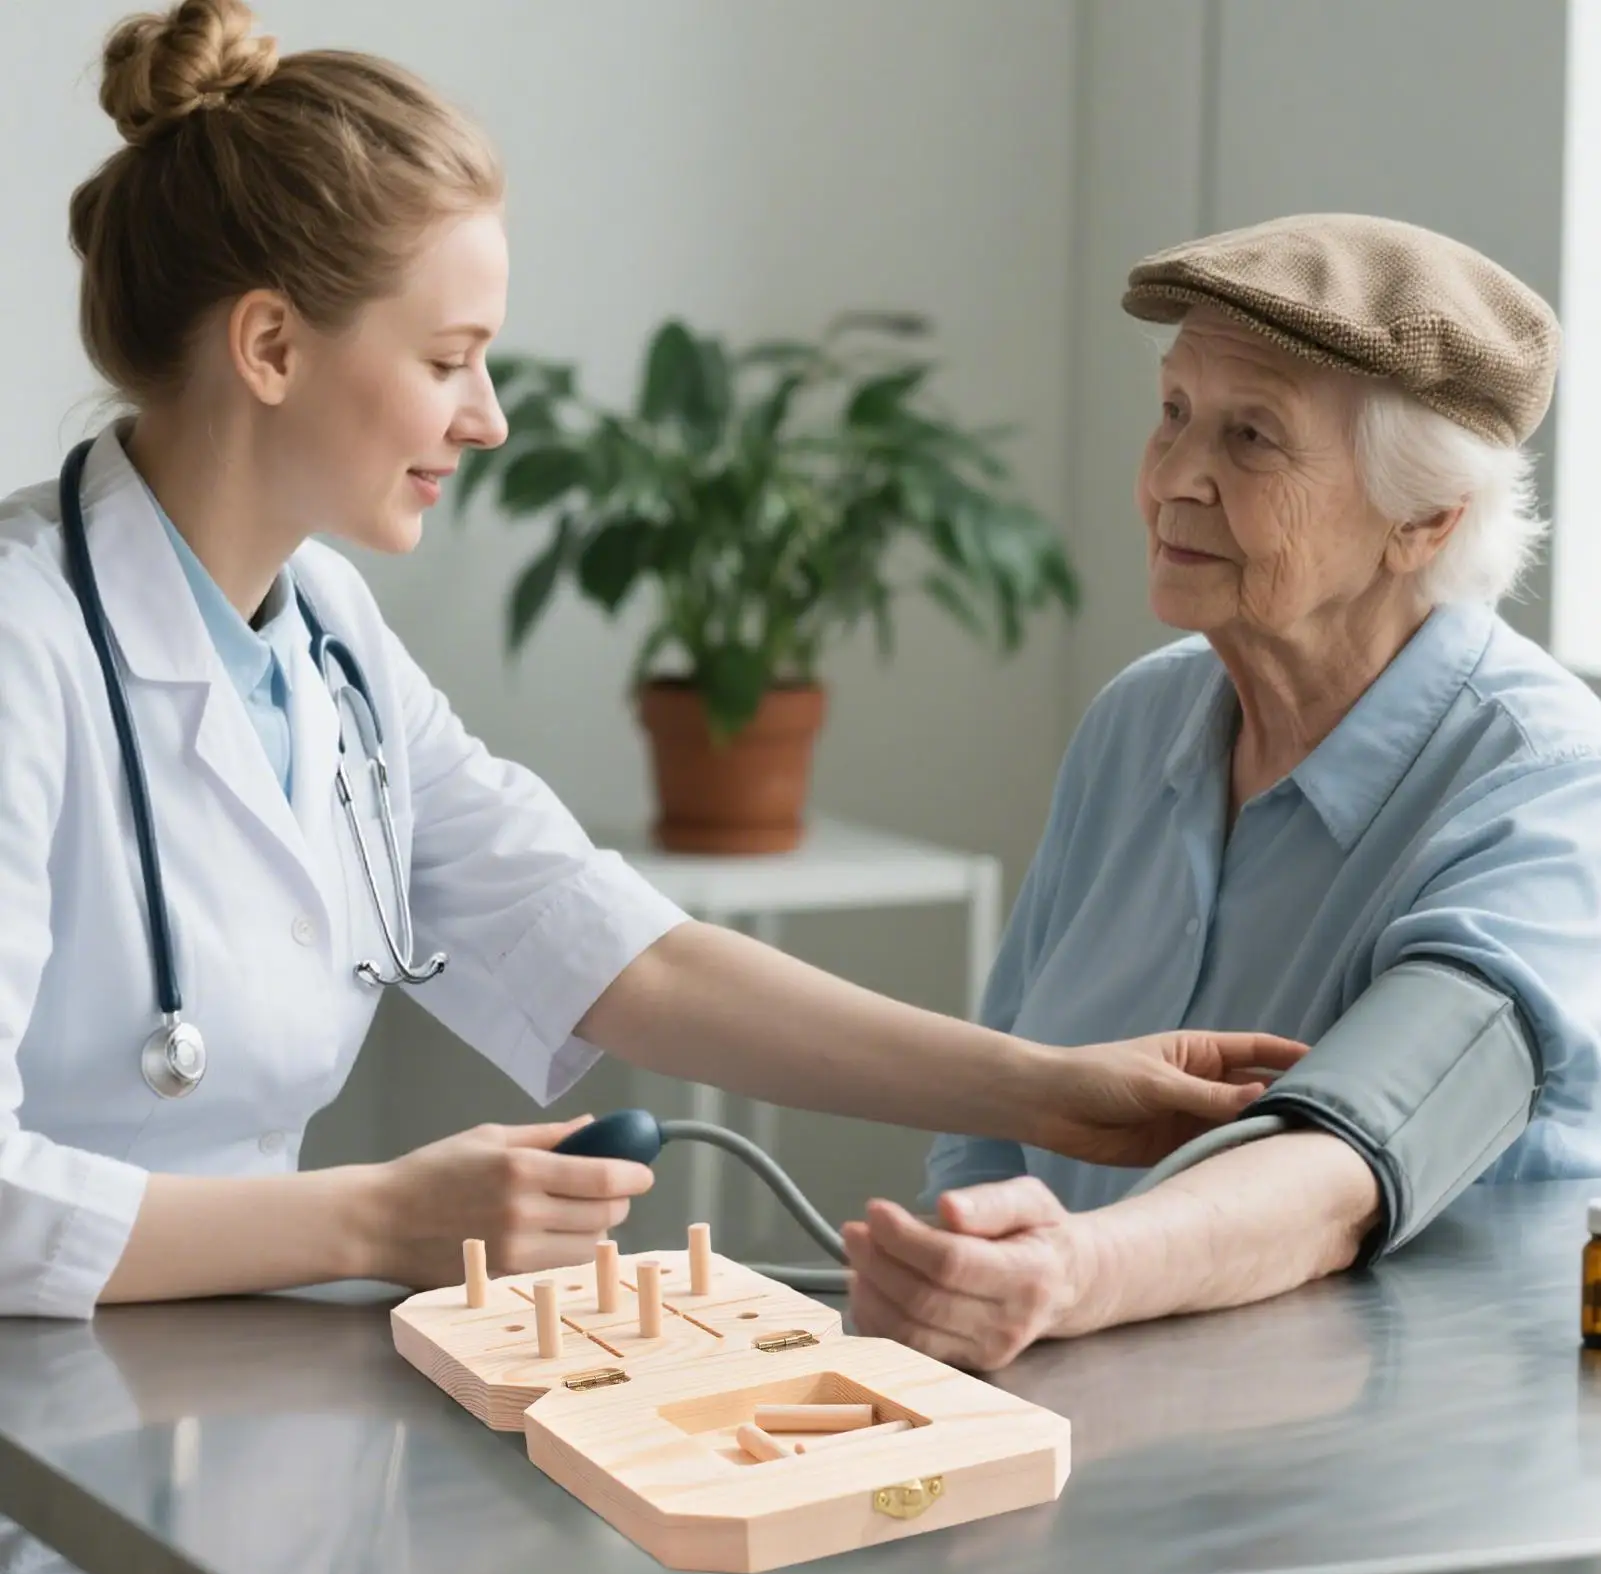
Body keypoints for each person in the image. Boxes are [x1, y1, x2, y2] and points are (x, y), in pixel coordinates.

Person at [0, 0, 1301, 1324]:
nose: (489, 417)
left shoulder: (324, 636)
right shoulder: (20, 650)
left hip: (201, 1390)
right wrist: (382, 1218)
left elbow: (624, 957)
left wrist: (1050, 1088)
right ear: (271, 346)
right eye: (449, 358)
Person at [846, 212, 1601, 1371]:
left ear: (1425, 520)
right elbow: (994, 1127)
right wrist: (955, 1291)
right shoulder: (1137, 722)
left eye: (1251, 437)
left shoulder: (1546, 781)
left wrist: (1063, 1272)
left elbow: (1353, 1151)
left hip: (1367, 1488)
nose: (1172, 479)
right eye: (1172, 413)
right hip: (1059, 1423)